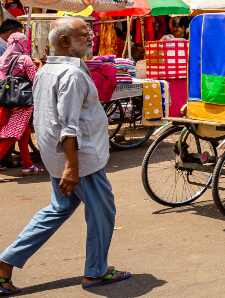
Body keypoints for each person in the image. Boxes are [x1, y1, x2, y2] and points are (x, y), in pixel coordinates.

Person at [0, 18, 130, 294]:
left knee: (58, 209)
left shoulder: (48, 69)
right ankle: (96, 272)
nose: (92, 38)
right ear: (64, 42)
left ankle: (5, 263)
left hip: (59, 157)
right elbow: (68, 125)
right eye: (85, 35)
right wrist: (72, 168)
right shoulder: (69, 75)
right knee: (102, 213)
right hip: (80, 161)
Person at [0, 33, 42, 177]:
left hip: (6, 101)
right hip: (22, 103)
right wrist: (40, 65)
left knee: (25, 133)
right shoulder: (25, 59)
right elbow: (35, 80)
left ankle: (27, 165)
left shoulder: (2, 59)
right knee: (11, 136)